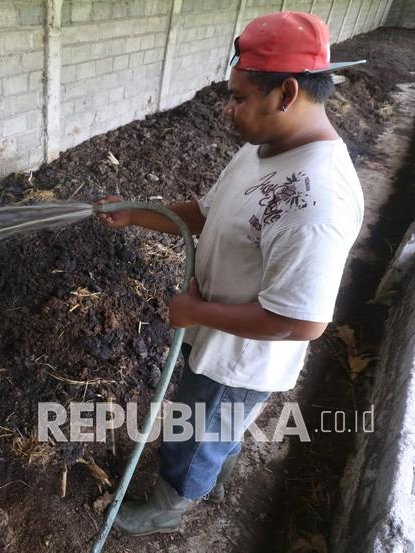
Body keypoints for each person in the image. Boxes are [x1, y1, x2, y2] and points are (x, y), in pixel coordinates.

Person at [96, 11, 365, 536]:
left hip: (239, 359)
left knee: (193, 432)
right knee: (216, 426)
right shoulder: (266, 149)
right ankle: (216, 468)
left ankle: (170, 505)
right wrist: (136, 213)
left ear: (286, 93)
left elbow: (303, 323)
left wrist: (197, 312)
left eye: (239, 97)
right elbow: (206, 212)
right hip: (220, 338)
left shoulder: (316, 201)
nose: (228, 109)